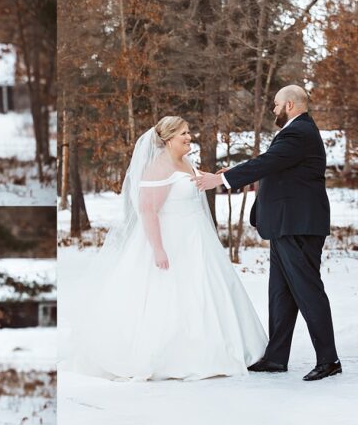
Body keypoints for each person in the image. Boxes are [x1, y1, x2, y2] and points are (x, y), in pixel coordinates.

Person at [68, 116, 267, 381]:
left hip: (198, 240)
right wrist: (158, 249)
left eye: (189, 132)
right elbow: (148, 210)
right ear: (169, 138)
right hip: (172, 239)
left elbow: (193, 186)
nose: (189, 137)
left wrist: (216, 177)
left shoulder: (186, 162)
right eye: (184, 133)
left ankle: (218, 348)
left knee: (207, 291)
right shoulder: (158, 167)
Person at [195, 85, 341, 381]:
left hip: (298, 225)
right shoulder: (296, 132)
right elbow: (278, 170)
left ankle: (329, 359)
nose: (273, 110)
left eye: (275, 105)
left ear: (289, 105)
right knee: (281, 293)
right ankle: (276, 357)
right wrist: (237, 172)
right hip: (286, 225)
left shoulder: (298, 132)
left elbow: (268, 163)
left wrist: (222, 179)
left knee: (307, 290)